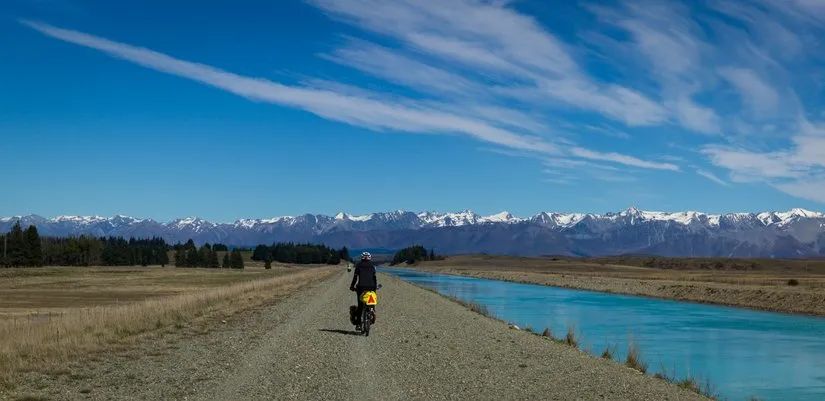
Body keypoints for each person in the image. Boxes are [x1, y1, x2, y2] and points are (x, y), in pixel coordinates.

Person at [350, 251, 378, 329]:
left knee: (360, 305)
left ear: (362, 258)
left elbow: (355, 278)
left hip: (361, 287)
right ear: (370, 258)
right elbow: (374, 278)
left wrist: (352, 286)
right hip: (372, 287)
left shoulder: (358, 265)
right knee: (372, 301)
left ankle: (358, 324)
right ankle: (372, 310)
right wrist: (375, 287)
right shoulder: (373, 266)